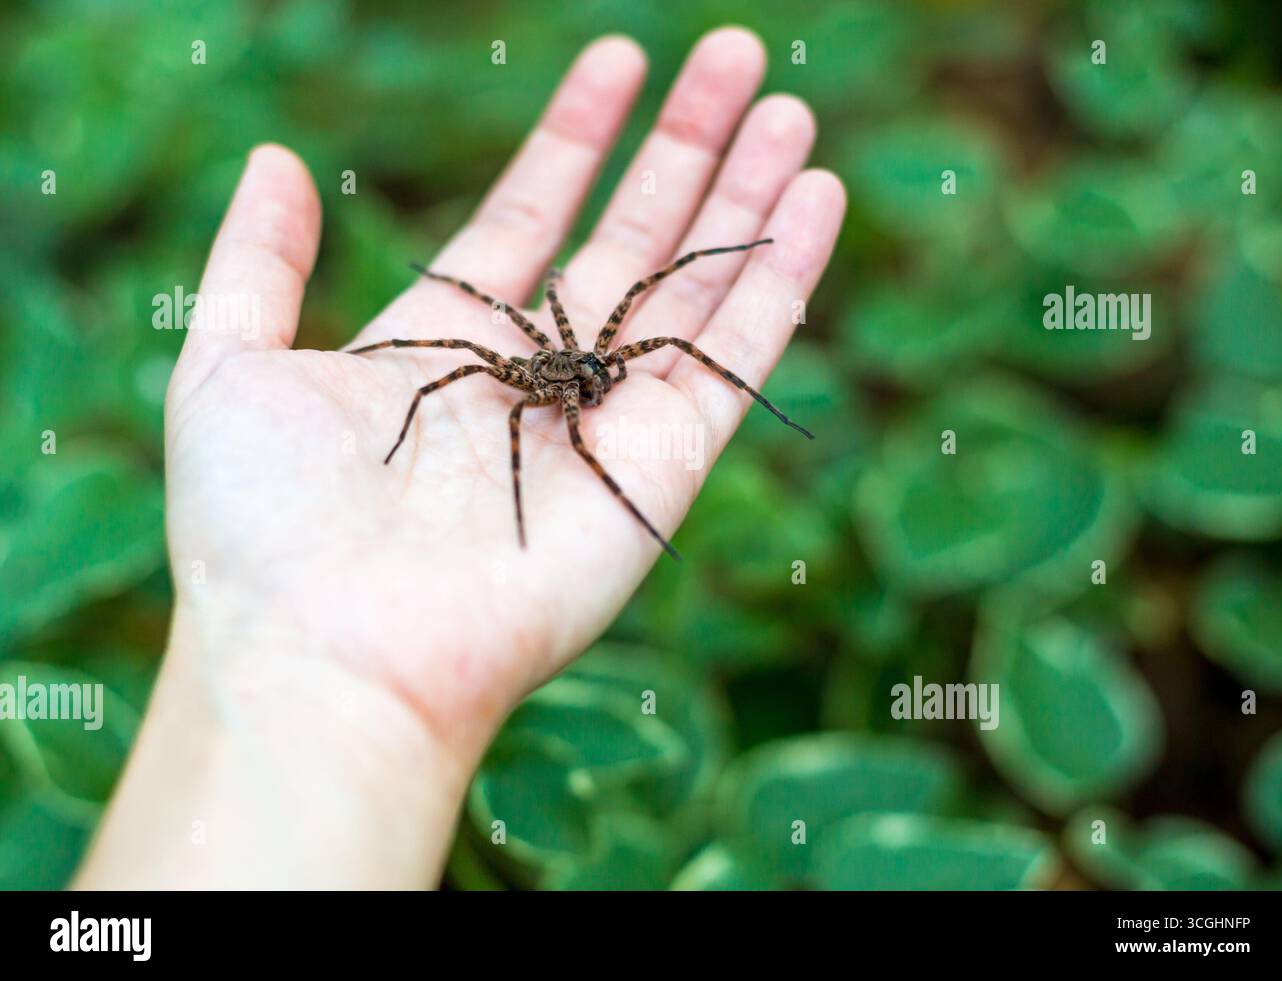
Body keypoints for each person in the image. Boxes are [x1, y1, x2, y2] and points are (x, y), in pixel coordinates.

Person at [74, 27, 844, 889]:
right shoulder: (531, 388)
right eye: (589, 378)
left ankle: (754, 342)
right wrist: (516, 489)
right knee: (458, 347)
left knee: (653, 309)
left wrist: (722, 271)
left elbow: (633, 303)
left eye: (593, 374)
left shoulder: (596, 355)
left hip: (562, 345)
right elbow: (514, 406)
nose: (595, 384)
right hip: (522, 368)